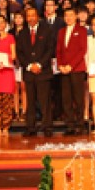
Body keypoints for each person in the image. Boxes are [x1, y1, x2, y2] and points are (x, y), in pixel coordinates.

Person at [16, 7, 56, 137]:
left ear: (37, 16)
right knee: (30, 101)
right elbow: (20, 53)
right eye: (28, 16)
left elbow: (50, 50)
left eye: (33, 15)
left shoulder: (47, 30)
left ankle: (47, 127)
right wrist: (28, 66)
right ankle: (30, 127)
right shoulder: (22, 33)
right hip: (28, 73)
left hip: (43, 71)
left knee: (45, 101)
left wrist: (39, 64)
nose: (31, 18)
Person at [56, 7, 88, 136]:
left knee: (78, 98)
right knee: (66, 98)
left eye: (71, 15)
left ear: (76, 16)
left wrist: (71, 66)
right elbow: (58, 50)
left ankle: (80, 125)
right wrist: (60, 65)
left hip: (77, 69)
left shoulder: (81, 30)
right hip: (64, 70)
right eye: (66, 15)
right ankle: (69, 125)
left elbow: (82, 50)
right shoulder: (61, 31)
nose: (68, 17)